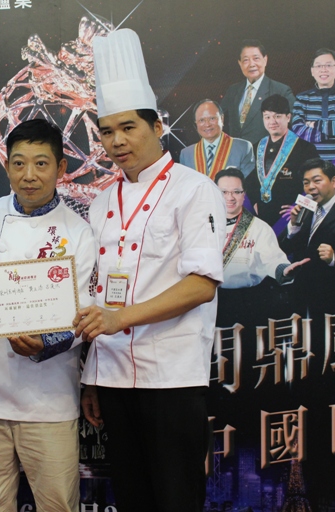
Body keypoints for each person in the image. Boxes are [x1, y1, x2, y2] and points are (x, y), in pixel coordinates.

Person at [73, 29, 226, 511]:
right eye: (106, 131)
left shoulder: (195, 190)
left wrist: (120, 318)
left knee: (176, 499)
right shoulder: (100, 203)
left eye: (128, 127)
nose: (117, 141)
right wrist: (93, 376)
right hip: (114, 377)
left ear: (157, 126)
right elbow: (98, 293)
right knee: (133, 498)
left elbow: (201, 285)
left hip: (172, 378)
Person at [0, 119, 96, 511]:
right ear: (7, 165)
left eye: (41, 164)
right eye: (19, 163)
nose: (29, 175)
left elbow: (84, 313)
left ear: (60, 168)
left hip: (48, 397)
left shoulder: (78, 232)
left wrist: (44, 342)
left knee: (58, 504)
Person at [279, 159, 335, 314]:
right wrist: (294, 226)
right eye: (306, 183)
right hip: (300, 295)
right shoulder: (304, 210)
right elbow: (282, 248)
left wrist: (334, 257)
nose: (310, 187)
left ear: (334, 182)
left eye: (317, 181)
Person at [215, 167, 305, 325]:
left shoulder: (259, 228)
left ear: (244, 195)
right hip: (210, 300)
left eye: (236, 192)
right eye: (224, 192)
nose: (230, 197)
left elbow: (272, 259)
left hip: (247, 301)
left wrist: (283, 270)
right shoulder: (202, 225)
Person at [244, 94, 320, 228]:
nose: (272, 121)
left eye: (277, 116)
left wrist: (300, 207)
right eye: (267, 117)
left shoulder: (306, 149)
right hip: (261, 218)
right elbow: (250, 181)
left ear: (288, 117)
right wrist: (255, 201)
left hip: (291, 219)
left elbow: (318, 184)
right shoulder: (256, 147)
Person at [222, 40, 296, 146]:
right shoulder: (233, 91)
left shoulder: (281, 91)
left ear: (265, 60)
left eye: (256, 58)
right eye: (246, 60)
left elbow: (295, 124)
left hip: (266, 153)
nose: (251, 64)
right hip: (236, 153)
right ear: (240, 63)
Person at [291, 48, 335, 165]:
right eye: (318, 66)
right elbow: (298, 130)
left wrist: (313, 125)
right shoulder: (302, 98)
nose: (323, 69)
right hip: (312, 165)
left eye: (328, 65)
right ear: (312, 71)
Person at [179, 99, 255, 178]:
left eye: (212, 118)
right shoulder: (186, 154)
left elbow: (247, 183)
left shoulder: (243, 148)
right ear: (196, 124)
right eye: (201, 120)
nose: (207, 124)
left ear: (222, 119)